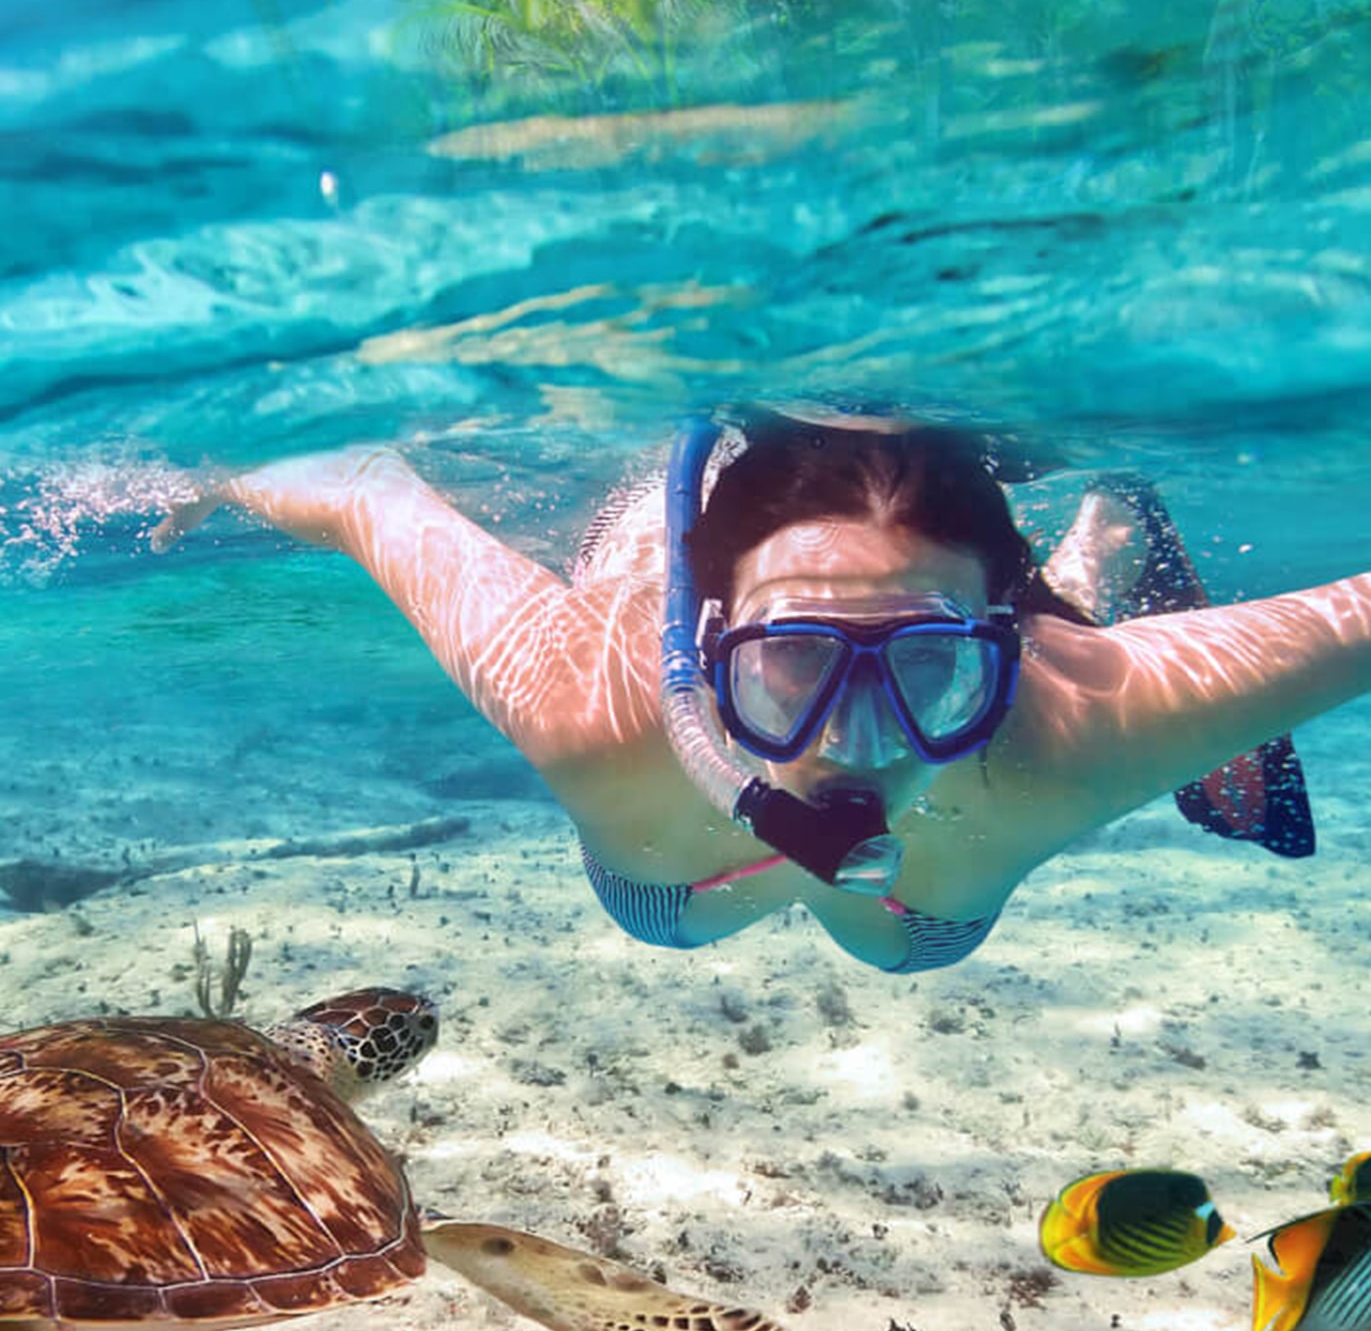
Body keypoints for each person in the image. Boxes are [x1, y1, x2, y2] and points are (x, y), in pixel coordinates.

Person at [151, 410, 1370, 975]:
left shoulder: (1078, 722)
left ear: (1002, 654)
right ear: (708, 650)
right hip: (686, 820)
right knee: (673, 897)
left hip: (908, 911)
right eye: (793, 659)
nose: (854, 740)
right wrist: (228, 469)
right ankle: (670, 546)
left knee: (898, 937)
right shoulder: (594, 702)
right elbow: (370, 487)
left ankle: (1095, 538)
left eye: (933, 667)